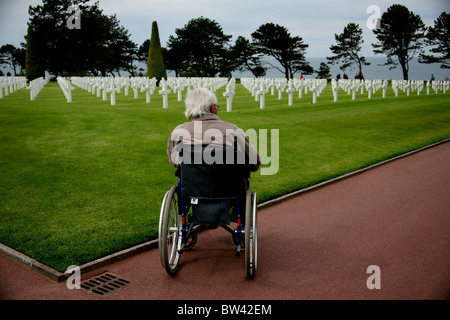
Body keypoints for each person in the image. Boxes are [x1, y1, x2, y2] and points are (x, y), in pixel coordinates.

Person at [167, 87, 260, 172]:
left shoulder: (178, 132)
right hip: (229, 188)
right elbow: (254, 162)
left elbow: (175, 161)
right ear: (212, 108)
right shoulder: (233, 131)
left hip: (192, 187)